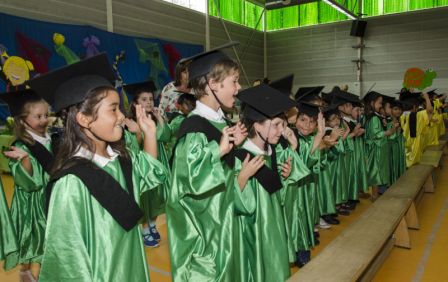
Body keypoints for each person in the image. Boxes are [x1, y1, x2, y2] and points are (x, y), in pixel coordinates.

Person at [29, 53, 167, 281]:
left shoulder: (121, 157)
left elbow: (149, 172)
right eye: (113, 109)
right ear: (84, 119)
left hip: (132, 267)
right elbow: (67, 262)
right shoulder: (71, 183)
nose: (122, 116)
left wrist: (149, 133)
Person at [166, 42, 251, 281]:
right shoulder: (194, 128)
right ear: (213, 84)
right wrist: (219, 151)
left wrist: (237, 145)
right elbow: (186, 182)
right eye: (234, 81)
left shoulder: (220, 122)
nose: (239, 87)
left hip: (222, 223)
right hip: (205, 233)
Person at [236, 83, 302, 281]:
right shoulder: (241, 156)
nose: (281, 130)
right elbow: (234, 204)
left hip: (273, 225)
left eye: (283, 124)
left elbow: (281, 197)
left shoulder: (273, 151)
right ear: (256, 125)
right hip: (254, 230)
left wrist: (286, 175)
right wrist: (242, 177)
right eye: (276, 125)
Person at [1, 89, 52, 282]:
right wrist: (25, 160)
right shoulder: (21, 146)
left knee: (46, 237)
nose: (44, 119)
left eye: (46, 115)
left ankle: (42, 272)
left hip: (48, 196)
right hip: (31, 202)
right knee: (31, 236)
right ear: (22, 121)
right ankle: (24, 271)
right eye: (38, 116)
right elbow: (26, 181)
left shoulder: (48, 139)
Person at [124, 80, 171, 248]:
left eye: (151, 99)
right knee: (146, 199)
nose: (149, 102)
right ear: (136, 103)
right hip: (145, 165)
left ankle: (152, 225)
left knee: (159, 197)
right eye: (144, 99)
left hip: (159, 162)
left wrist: (161, 120)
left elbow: (165, 136)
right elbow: (132, 147)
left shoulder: (155, 118)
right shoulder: (130, 122)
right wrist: (137, 132)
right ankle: (144, 230)